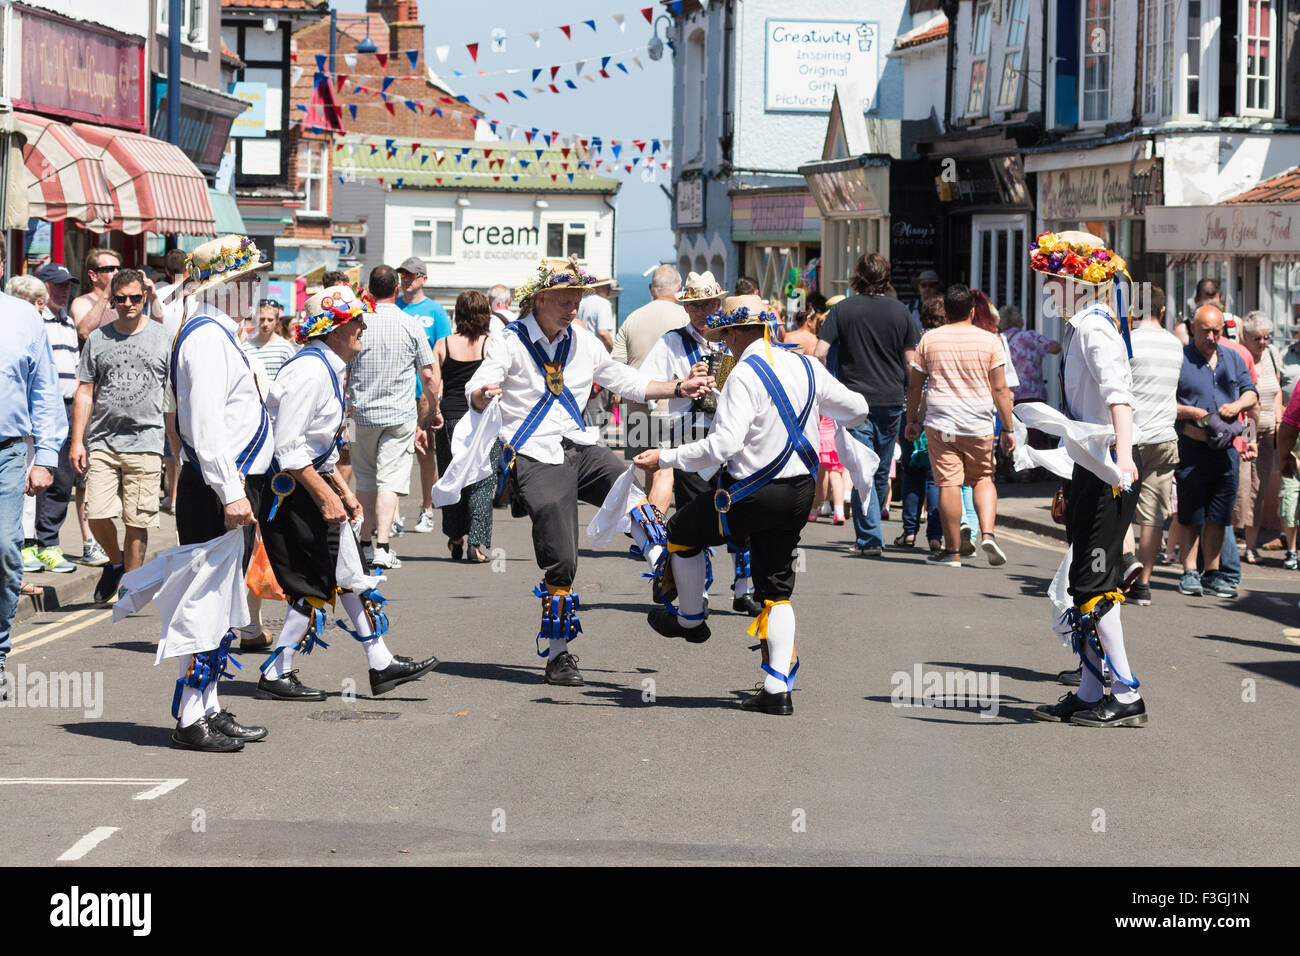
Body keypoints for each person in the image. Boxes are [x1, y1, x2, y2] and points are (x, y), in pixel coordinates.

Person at [465, 257, 712, 687]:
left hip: (581, 445)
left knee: (638, 504)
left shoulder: (582, 341)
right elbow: (478, 386)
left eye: (578, 299)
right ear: (540, 299)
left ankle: (672, 588)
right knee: (562, 556)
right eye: (565, 300)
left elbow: (626, 381)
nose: (573, 308)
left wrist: (677, 387)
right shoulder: (509, 341)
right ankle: (558, 655)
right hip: (536, 454)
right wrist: (483, 396)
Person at [633, 294, 870, 715]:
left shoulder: (743, 375)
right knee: (776, 587)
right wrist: (814, 416)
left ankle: (689, 619)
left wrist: (665, 457)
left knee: (681, 532)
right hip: (800, 492)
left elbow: (723, 445)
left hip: (751, 493)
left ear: (742, 332)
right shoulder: (807, 365)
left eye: (727, 335)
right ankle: (777, 689)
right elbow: (859, 409)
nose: (725, 344)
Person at [256, 284, 439, 702]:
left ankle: (380, 662)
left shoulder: (327, 367)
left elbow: (317, 447)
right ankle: (275, 669)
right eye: (354, 320)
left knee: (345, 573)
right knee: (316, 581)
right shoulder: (309, 371)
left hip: (307, 484)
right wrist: (325, 495)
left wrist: (343, 489)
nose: (362, 327)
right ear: (332, 329)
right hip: (289, 491)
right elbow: (289, 449)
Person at [1025, 230, 1147, 728]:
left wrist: (1123, 459)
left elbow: (1121, 396)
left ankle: (1126, 693)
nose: (1048, 288)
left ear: (1078, 280)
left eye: (1054, 279)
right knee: (1084, 584)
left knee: (1095, 583)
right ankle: (1092, 687)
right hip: (1089, 467)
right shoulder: (1082, 328)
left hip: (1106, 473)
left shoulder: (1095, 329)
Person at [162, 235, 276, 750]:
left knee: (223, 602)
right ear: (222, 287)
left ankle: (208, 704)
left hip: (228, 482)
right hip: (215, 486)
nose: (257, 286)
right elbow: (205, 427)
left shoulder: (223, 334)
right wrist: (231, 492)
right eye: (248, 279)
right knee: (205, 604)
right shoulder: (207, 338)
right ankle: (190, 718)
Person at [638, 271, 760, 615]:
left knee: (744, 511)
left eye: (708, 304)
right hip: (690, 435)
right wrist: (681, 382)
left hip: (733, 434)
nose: (702, 311)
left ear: (719, 303)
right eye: (695, 306)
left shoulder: (733, 339)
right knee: (698, 515)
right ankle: (699, 591)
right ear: (686, 307)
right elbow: (645, 383)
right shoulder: (672, 342)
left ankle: (742, 588)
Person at [69, 268, 170, 605]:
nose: (128, 304)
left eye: (135, 298)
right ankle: (114, 562)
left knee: (136, 519)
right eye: (121, 298)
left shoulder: (161, 337)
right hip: (103, 441)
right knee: (95, 512)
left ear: (145, 297)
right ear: (112, 300)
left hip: (147, 442)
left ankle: (131, 584)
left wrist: (178, 441)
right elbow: (84, 391)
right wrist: (77, 440)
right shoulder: (99, 338)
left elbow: (173, 394)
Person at [815, 254, 918, 556]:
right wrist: (914, 402)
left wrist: (827, 386)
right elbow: (911, 364)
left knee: (864, 468)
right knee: (880, 469)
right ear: (886, 277)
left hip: (854, 400)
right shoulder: (901, 312)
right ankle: (871, 532)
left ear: (857, 276)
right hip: (891, 401)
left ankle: (870, 537)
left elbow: (820, 352)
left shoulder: (842, 310)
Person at [904, 285, 1014, 567]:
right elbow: (1000, 388)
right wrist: (1008, 428)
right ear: (973, 311)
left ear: (946, 311)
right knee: (983, 478)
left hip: (942, 423)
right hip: (978, 422)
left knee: (949, 483)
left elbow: (915, 385)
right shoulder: (990, 341)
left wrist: (912, 419)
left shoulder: (930, 339)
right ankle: (987, 533)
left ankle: (952, 552)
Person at [0, 234, 66, 701]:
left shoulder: (23, 316)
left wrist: (45, 457)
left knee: (5, 551)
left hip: (6, 452)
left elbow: (44, 392)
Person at [347, 265, 441, 571]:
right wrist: (434, 408)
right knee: (390, 480)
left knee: (365, 478)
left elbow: (344, 368)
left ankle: (363, 542)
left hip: (364, 413)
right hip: (399, 414)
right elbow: (428, 375)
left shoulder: (359, 322)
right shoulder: (410, 324)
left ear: (369, 290)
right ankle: (383, 546)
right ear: (396, 290)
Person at [1174, 304, 1258, 598]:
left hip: (1225, 452)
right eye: (1205, 331)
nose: (1211, 337)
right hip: (1192, 449)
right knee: (1191, 515)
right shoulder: (1181, 360)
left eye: (1216, 331)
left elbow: (1251, 393)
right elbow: (1167, 404)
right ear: (1193, 328)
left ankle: (1212, 572)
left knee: (1219, 516)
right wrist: (1191, 411)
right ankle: (1189, 572)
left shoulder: (1232, 358)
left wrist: (1236, 405)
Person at [6, 272, 78, 576]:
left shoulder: (64, 321)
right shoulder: (33, 322)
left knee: (59, 481)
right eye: (33, 300)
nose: (39, 305)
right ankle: (28, 544)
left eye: (39, 301)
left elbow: (50, 380)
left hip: (56, 412)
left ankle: (44, 543)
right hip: (25, 420)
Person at [1125, 286, 1183, 606]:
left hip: (1129, 438)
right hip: (1163, 438)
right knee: (1152, 517)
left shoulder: (1127, 342)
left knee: (1121, 511)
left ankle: (1124, 572)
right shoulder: (1176, 346)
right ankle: (1143, 585)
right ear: (1162, 312)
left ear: (1134, 311)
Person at [434, 290, 496, 563]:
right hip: (482, 420)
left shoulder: (443, 345)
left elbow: (434, 388)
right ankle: (478, 543)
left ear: (458, 314)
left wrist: (429, 416)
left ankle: (455, 536)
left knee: (452, 477)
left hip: (449, 417)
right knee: (482, 481)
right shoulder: (490, 345)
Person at [396, 257, 452, 535]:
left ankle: (427, 509)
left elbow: (442, 353)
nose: (406, 279)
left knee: (425, 453)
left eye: (411, 275)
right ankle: (392, 513)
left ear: (423, 278)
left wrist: (437, 394)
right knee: (394, 454)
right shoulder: (393, 307)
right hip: (395, 391)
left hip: (423, 393)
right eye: (402, 274)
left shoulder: (436, 312)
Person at [612, 265, 689, 453]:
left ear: (650, 288)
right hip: (674, 406)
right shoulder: (686, 319)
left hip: (637, 406)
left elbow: (617, 363)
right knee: (668, 470)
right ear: (679, 288)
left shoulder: (632, 318)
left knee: (645, 468)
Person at [895, 297, 946, 551]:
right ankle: (935, 536)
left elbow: (911, 382)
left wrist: (911, 417)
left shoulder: (916, 343)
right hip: (941, 414)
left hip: (912, 411)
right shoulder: (949, 344)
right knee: (936, 476)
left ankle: (909, 532)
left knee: (912, 471)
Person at [1237, 310, 1282, 564]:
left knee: (1259, 489)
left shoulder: (1272, 355)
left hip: (1267, 432)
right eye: (1257, 338)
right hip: (1245, 430)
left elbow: (1276, 391)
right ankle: (1230, 542)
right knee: (1240, 487)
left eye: (1266, 337)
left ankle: (1251, 546)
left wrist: (1277, 420)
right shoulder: (1240, 356)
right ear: (1245, 337)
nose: (1263, 343)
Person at [70, 247, 123, 341]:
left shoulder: (123, 302)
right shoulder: (82, 302)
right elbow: (84, 332)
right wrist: (107, 294)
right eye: (110, 269)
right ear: (93, 275)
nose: (117, 273)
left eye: (119, 268)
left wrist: (152, 296)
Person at [243, 300, 296, 381]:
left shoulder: (286, 348)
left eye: (270, 320)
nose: (265, 324)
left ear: (277, 320)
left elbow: (293, 378)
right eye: (262, 319)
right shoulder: (245, 348)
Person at [577, 278, 616, 352]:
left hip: (581, 350)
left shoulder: (581, 301)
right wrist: (613, 353)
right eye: (608, 287)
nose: (610, 290)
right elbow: (603, 333)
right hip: (597, 352)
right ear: (599, 288)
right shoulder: (603, 303)